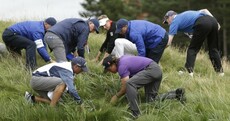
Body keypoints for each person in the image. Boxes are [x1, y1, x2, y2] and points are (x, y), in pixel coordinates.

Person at [102, 55, 185, 118]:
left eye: (109, 69)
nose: (109, 72)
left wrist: (116, 96)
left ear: (113, 64)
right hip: (156, 70)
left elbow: (126, 87)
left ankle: (135, 114)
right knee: (151, 100)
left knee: (130, 84)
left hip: (151, 70)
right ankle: (176, 94)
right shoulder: (123, 59)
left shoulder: (121, 66)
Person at [163, 9, 224, 77]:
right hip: (213, 21)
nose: (168, 24)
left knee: (192, 49)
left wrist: (161, 48)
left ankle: (188, 72)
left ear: (170, 17)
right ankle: (220, 73)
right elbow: (205, 10)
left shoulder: (174, 22)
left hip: (202, 22)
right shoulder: (184, 15)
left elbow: (168, 42)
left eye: (167, 21)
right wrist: (216, 22)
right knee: (213, 49)